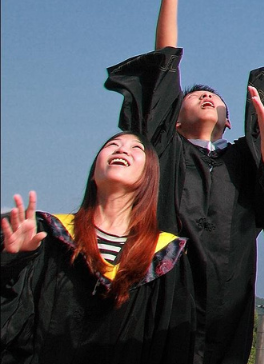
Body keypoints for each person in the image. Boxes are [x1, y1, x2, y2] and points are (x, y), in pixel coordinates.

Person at [102, 0, 264, 364]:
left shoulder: (244, 159)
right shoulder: (165, 155)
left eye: (214, 96)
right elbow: (165, 64)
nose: (205, 96)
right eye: (193, 95)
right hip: (159, 304)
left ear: (229, 120)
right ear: (173, 118)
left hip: (228, 309)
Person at [0, 133, 195, 363]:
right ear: (93, 173)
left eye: (136, 148)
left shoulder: (166, 255)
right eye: (113, 144)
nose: (121, 149)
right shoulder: (46, 235)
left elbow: (175, 347)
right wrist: (11, 261)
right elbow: (11, 325)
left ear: (149, 177)